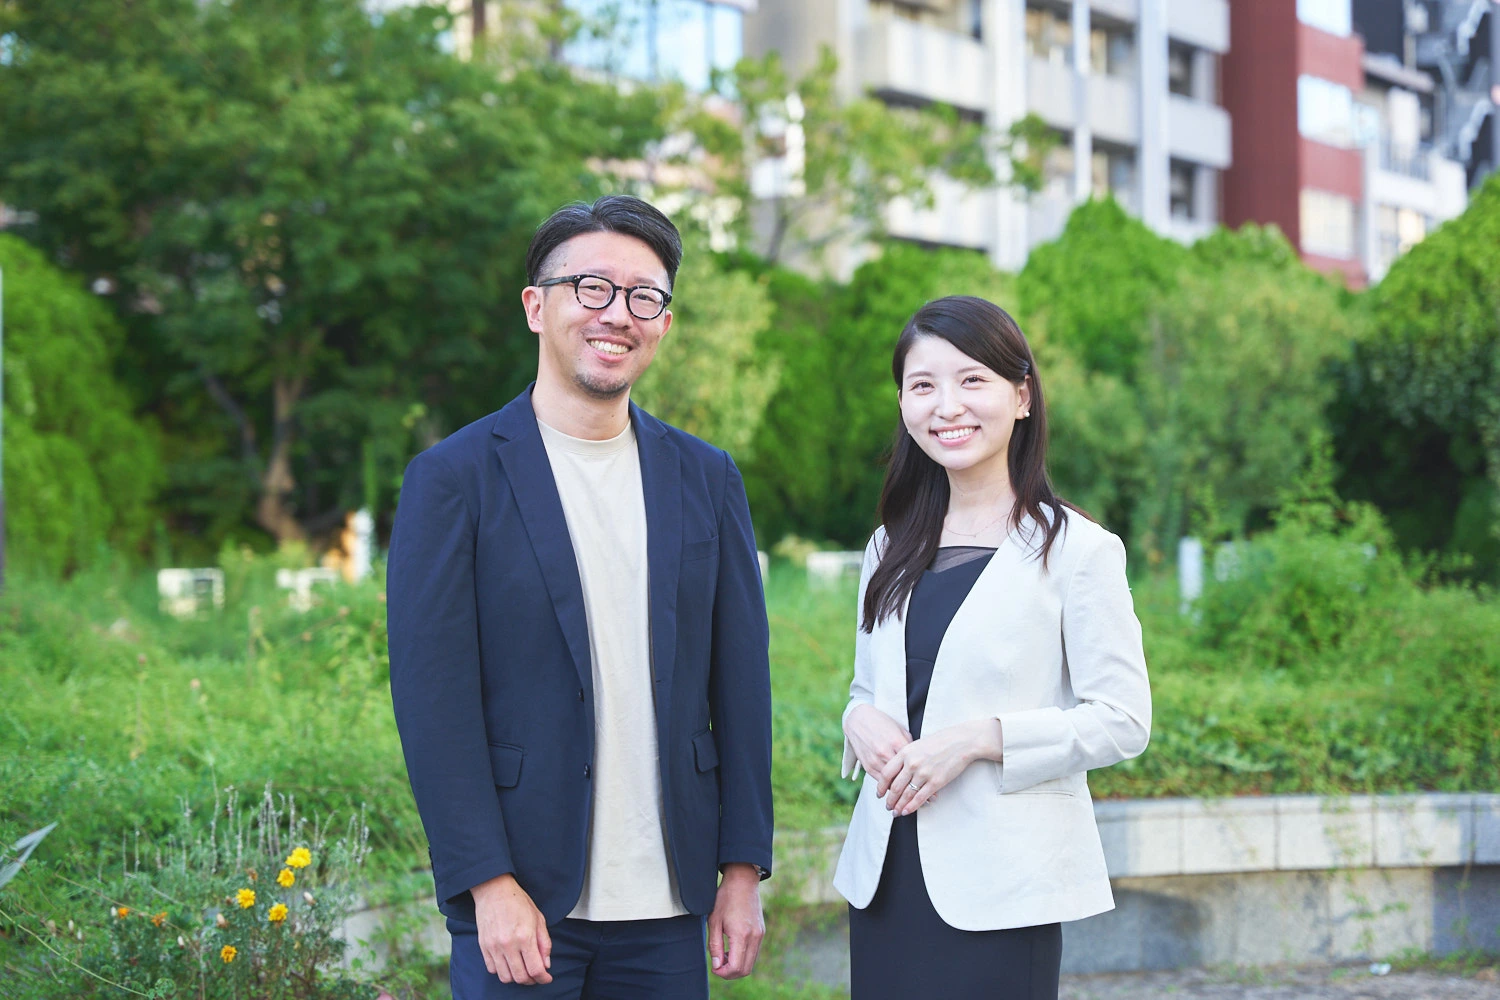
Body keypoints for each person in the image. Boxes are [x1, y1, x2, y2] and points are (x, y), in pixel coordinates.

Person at [386, 195, 773, 1000]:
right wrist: (487, 883)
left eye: (644, 297)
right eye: (592, 287)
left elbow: (741, 685)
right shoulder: (453, 480)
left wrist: (742, 869)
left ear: (664, 322)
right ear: (537, 306)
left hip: (670, 905)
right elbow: (434, 705)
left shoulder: (707, 478)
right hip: (523, 905)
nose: (618, 314)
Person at [834, 295, 1152, 1000]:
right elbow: (869, 691)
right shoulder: (888, 545)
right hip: (887, 874)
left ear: (1022, 396)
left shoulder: (1079, 551)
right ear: (903, 404)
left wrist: (980, 739)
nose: (946, 405)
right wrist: (857, 721)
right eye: (923, 385)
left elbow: (1123, 719)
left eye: (972, 380)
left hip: (1004, 885)